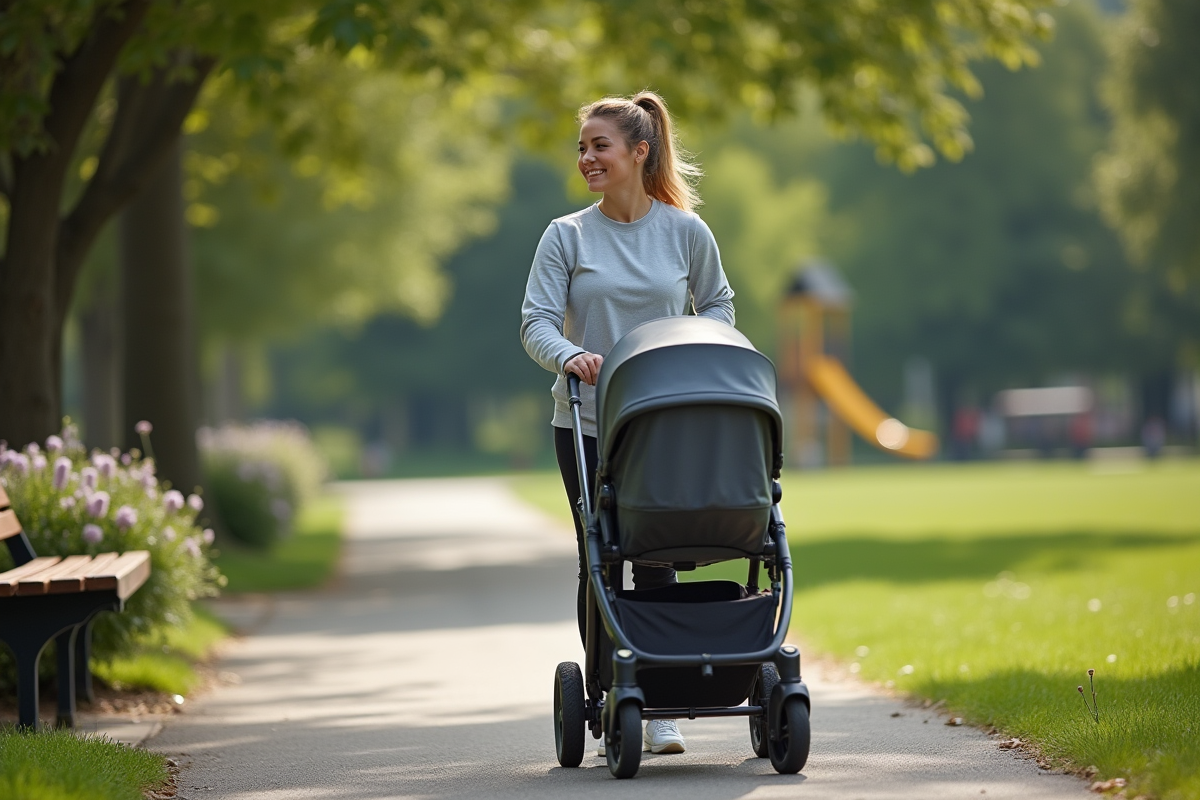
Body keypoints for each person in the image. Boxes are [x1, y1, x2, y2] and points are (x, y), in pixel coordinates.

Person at [520, 91, 736, 756]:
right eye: (582, 147)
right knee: (602, 558)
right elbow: (535, 323)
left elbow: (720, 304)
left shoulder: (685, 232)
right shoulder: (566, 235)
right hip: (586, 423)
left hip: (665, 423)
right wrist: (571, 355)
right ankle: (620, 687)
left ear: (639, 152)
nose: (587, 157)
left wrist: (696, 349)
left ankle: (660, 701)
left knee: (658, 553)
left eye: (599, 145)